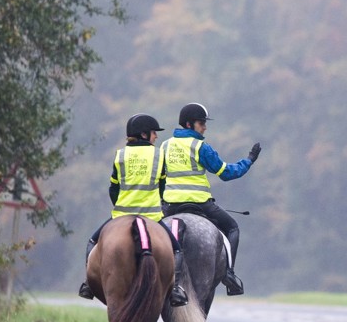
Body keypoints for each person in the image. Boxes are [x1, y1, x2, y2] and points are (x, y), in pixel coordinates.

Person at [78, 114, 189, 306]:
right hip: (152, 216)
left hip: (121, 214)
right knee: (177, 250)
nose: (156, 137)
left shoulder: (120, 155)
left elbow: (113, 188)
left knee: (92, 242)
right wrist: (157, 202)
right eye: (154, 133)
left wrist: (120, 204)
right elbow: (162, 187)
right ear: (144, 134)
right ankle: (176, 290)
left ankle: (88, 284)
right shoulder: (158, 155)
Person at [160, 103, 260, 296]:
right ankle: (229, 275)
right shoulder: (200, 147)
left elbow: (159, 177)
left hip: (170, 207)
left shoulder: (165, 145)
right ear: (189, 124)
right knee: (232, 228)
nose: (205, 127)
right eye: (201, 123)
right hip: (199, 203)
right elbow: (226, 173)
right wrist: (249, 160)